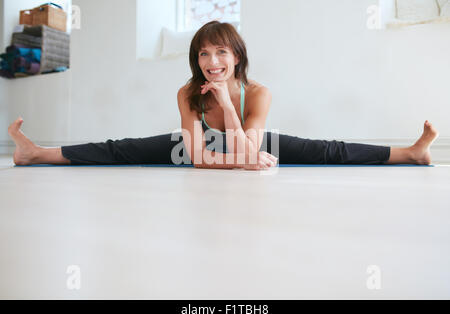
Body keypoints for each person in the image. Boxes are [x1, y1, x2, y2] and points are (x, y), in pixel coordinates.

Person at [7, 21, 439, 170]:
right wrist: (244, 163)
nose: (211, 61)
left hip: (252, 141)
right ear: (196, 59)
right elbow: (195, 158)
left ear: (236, 57)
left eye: (220, 52)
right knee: (122, 149)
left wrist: (231, 108)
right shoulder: (187, 92)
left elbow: (252, 145)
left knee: (326, 149)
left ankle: (410, 154)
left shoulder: (258, 92)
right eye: (203, 53)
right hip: (195, 150)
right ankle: (36, 154)